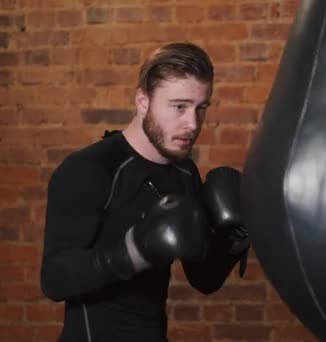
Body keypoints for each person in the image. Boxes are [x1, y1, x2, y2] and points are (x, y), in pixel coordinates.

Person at [40, 42, 250, 342]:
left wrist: (233, 241)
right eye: (179, 106)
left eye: (200, 108)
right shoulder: (90, 169)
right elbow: (54, 280)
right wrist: (132, 251)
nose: (192, 124)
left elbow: (203, 279)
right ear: (142, 101)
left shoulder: (184, 173)